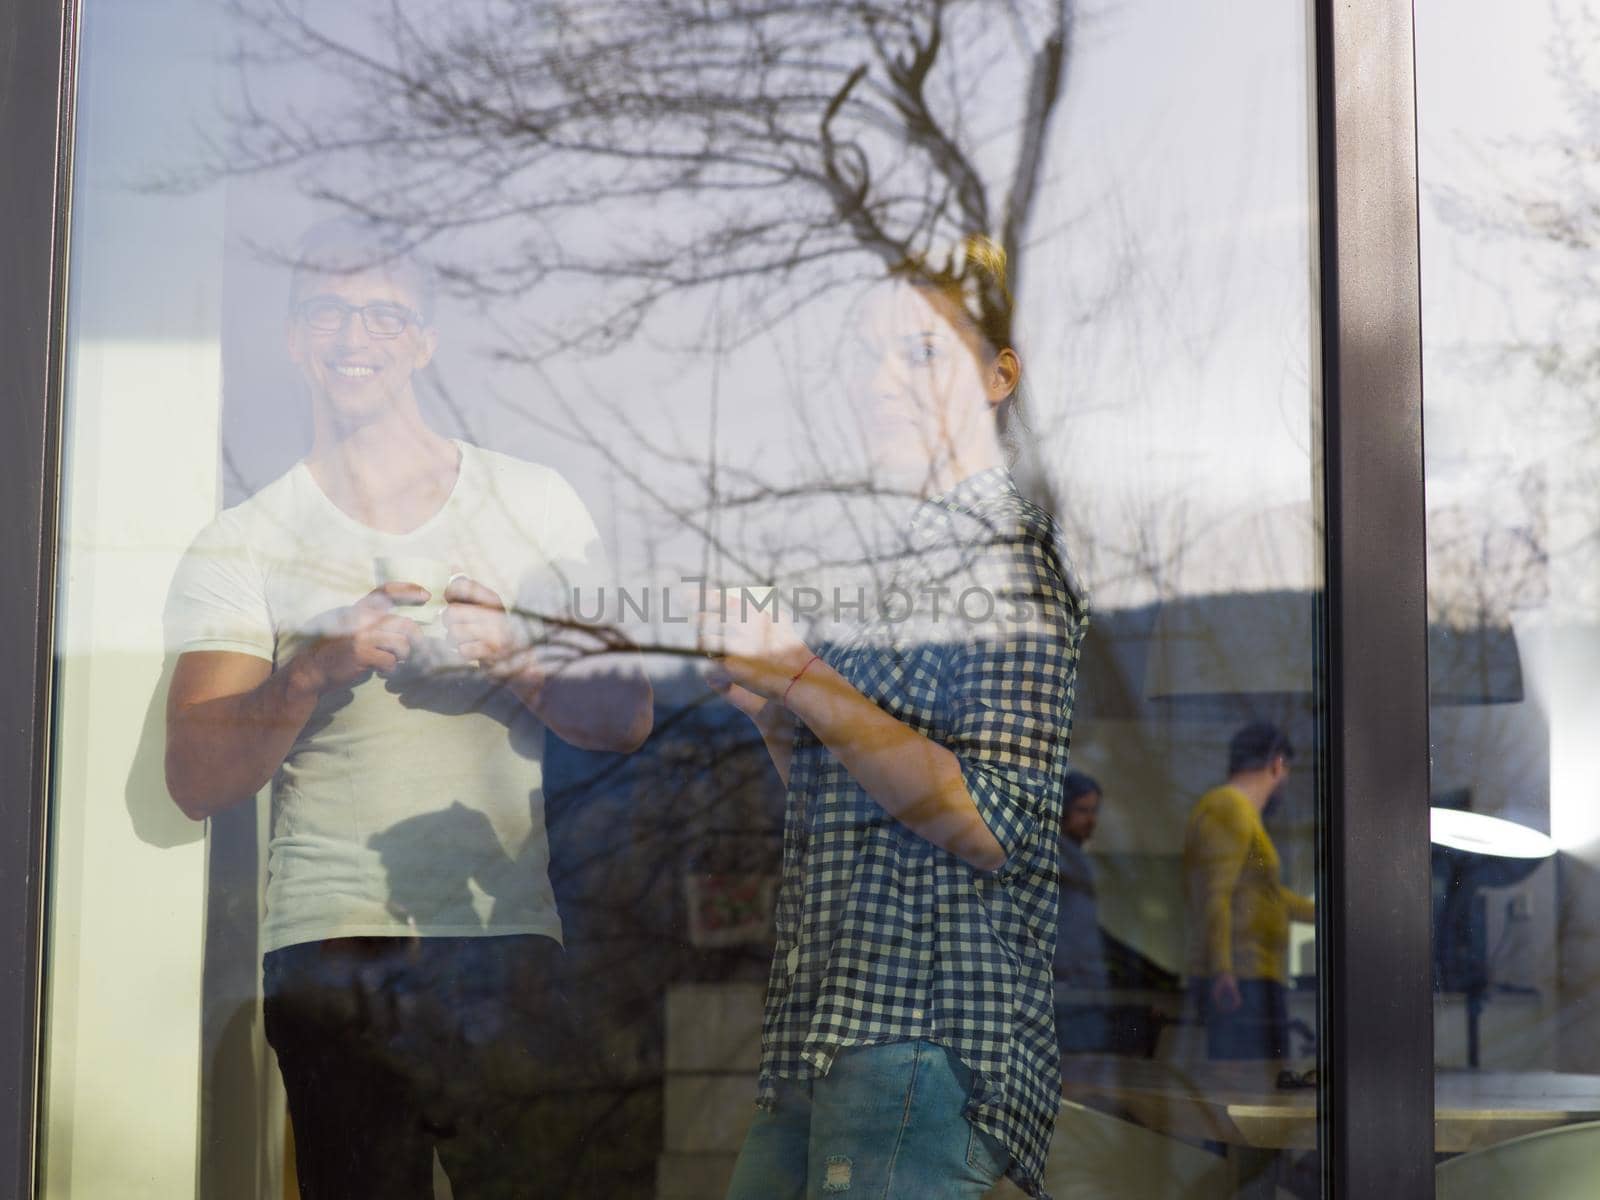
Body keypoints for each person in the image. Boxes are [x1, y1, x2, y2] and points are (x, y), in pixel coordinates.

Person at [163, 220, 653, 1199]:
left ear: (423, 341)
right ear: (295, 339)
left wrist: (517, 656)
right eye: (329, 314)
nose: (356, 338)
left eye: (385, 315)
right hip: (330, 951)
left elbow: (627, 714)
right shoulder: (244, 538)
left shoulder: (532, 502)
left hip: (506, 938)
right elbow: (195, 777)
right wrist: (312, 670)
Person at [701, 237, 1087, 1200]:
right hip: (827, 1031)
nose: (880, 381)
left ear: (999, 377)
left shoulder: (1005, 563)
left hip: (922, 1045)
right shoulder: (895, 569)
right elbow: (863, 809)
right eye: (868, 356)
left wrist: (798, 675)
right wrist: (775, 716)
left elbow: (993, 825)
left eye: (919, 353)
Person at [1181, 721, 1313, 1061]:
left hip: (1253, 976)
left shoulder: (1242, 814)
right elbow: (1215, 893)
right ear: (1277, 764)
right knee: (1245, 1085)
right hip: (1241, 981)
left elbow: (1265, 895)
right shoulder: (1228, 808)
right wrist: (1223, 970)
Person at [1054, 770, 1110, 1054]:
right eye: (1082, 810)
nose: (1091, 819)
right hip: (1068, 996)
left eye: (1095, 810)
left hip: (1088, 993)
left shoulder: (1079, 861)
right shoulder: (1056, 859)